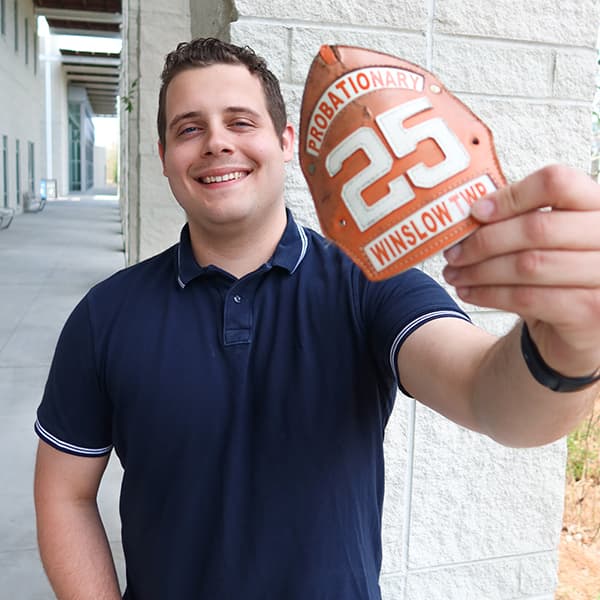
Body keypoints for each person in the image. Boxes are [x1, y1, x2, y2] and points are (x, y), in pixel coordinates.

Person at [33, 37, 600, 600]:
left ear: (286, 144)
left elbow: (489, 396)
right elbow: (65, 494)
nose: (216, 143)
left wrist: (566, 348)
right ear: (163, 157)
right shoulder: (104, 316)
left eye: (240, 121)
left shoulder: (370, 282)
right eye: (189, 128)